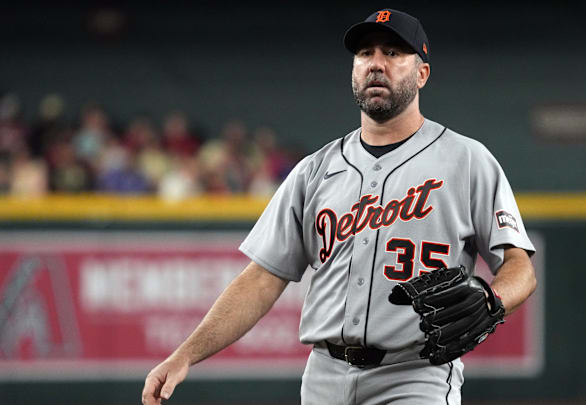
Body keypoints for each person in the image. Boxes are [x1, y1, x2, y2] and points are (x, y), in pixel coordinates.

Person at [142, 9, 537, 405]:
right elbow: (260, 280)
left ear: (422, 74)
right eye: (365, 53)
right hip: (324, 376)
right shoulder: (315, 170)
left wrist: (491, 298)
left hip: (416, 375)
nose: (377, 64)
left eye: (394, 53)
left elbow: (519, 267)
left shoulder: (466, 159)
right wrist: (184, 356)